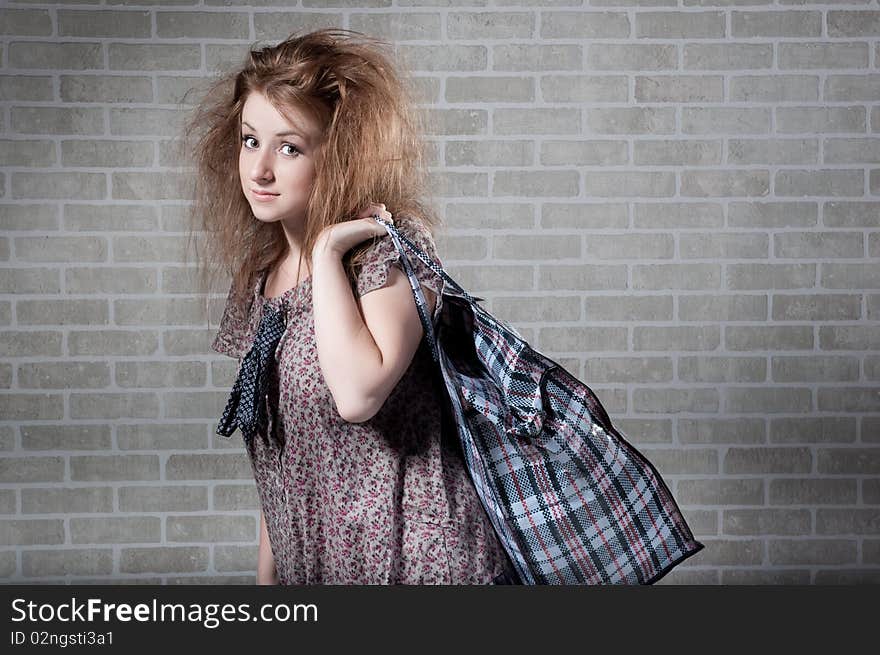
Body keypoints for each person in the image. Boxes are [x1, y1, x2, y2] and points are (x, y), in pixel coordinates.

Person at [183, 28, 519, 585]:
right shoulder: (262, 279)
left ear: (338, 155)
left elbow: (358, 395)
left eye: (288, 147)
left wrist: (327, 250)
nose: (259, 169)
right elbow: (284, 457)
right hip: (317, 569)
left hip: (419, 563)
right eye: (249, 140)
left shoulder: (387, 255)